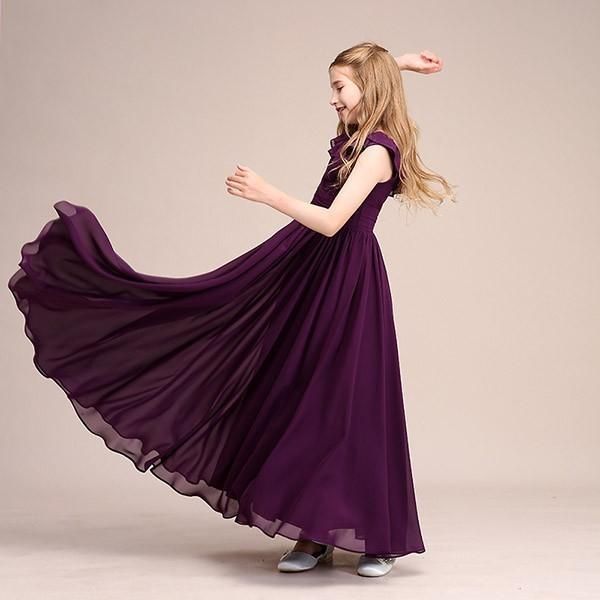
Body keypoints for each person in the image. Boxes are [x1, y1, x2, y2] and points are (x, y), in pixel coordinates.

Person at [7, 43, 455, 579]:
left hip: (347, 280)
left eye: (339, 88)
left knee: (347, 402)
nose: (332, 99)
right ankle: (313, 531)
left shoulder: (378, 150)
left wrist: (267, 193)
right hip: (310, 271)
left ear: (367, 87)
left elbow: (333, 221)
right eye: (332, 88)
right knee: (301, 397)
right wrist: (397, 62)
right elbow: (370, 80)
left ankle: (377, 537)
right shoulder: (357, 135)